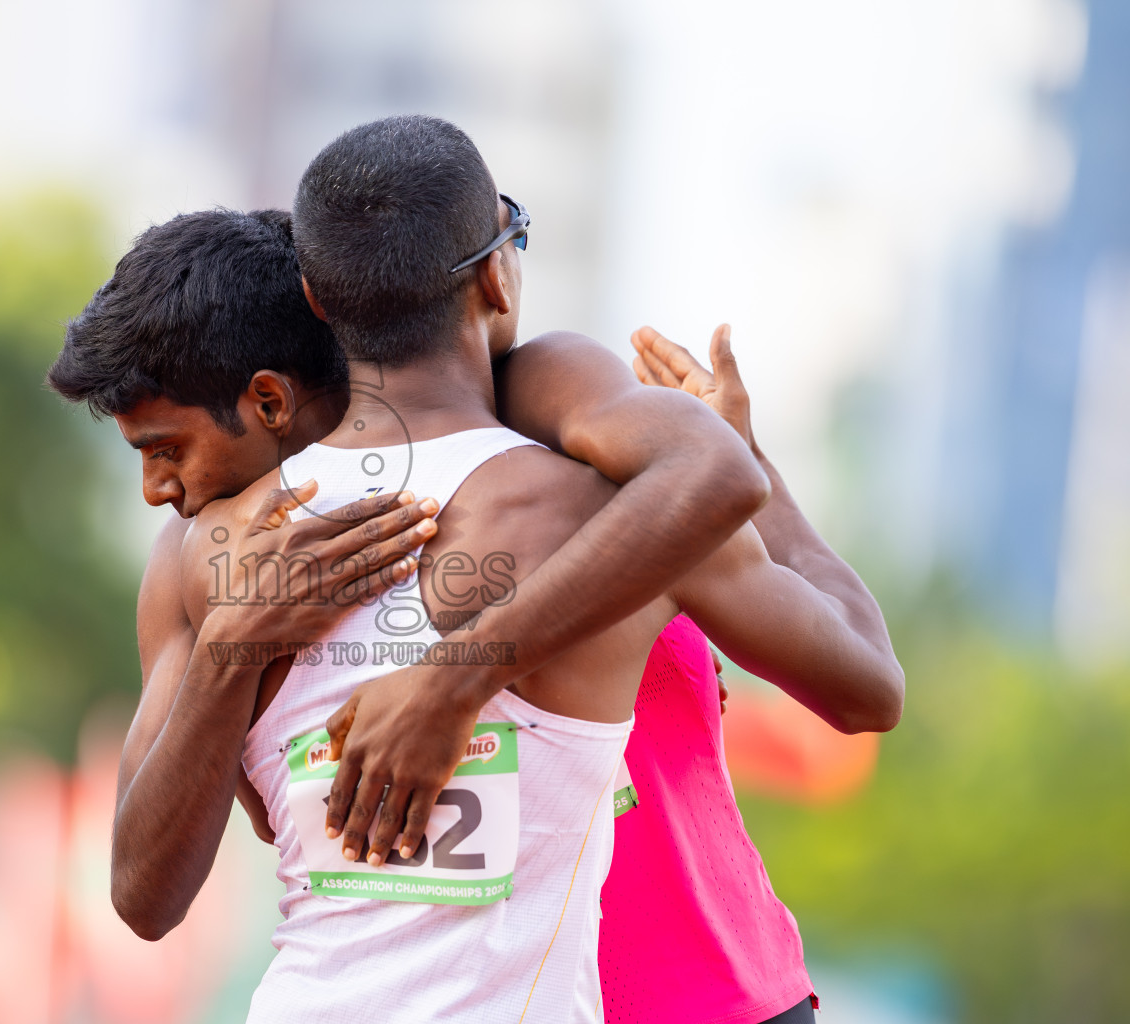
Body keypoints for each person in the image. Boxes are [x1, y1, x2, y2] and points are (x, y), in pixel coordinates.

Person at [50, 117, 903, 1021]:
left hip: (681, 984)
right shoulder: (608, 490)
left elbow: (719, 488)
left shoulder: (602, 456)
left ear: (317, 306)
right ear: (495, 276)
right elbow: (858, 676)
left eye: (165, 449)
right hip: (675, 986)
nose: (156, 490)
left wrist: (453, 680)